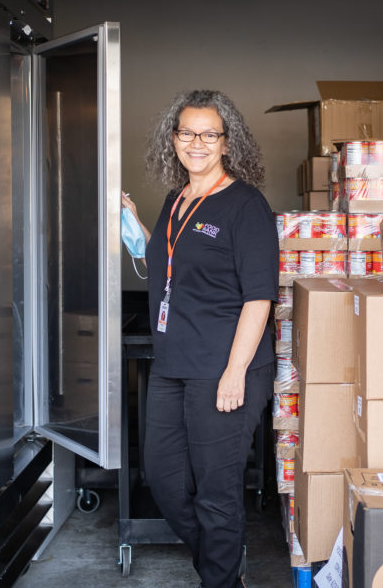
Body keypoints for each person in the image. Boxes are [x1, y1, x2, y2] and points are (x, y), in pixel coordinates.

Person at [122, 89, 279, 588]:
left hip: (225, 369)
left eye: (209, 134)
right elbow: (169, 266)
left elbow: (259, 298)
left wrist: (235, 372)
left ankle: (220, 578)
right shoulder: (177, 199)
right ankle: (221, 564)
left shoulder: (246, 206)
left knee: (216, 490)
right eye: (187, 132)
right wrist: (134, 230)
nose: (197, 142)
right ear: (173, 139)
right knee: (164, 480)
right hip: (173, 363)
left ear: (227, 143)